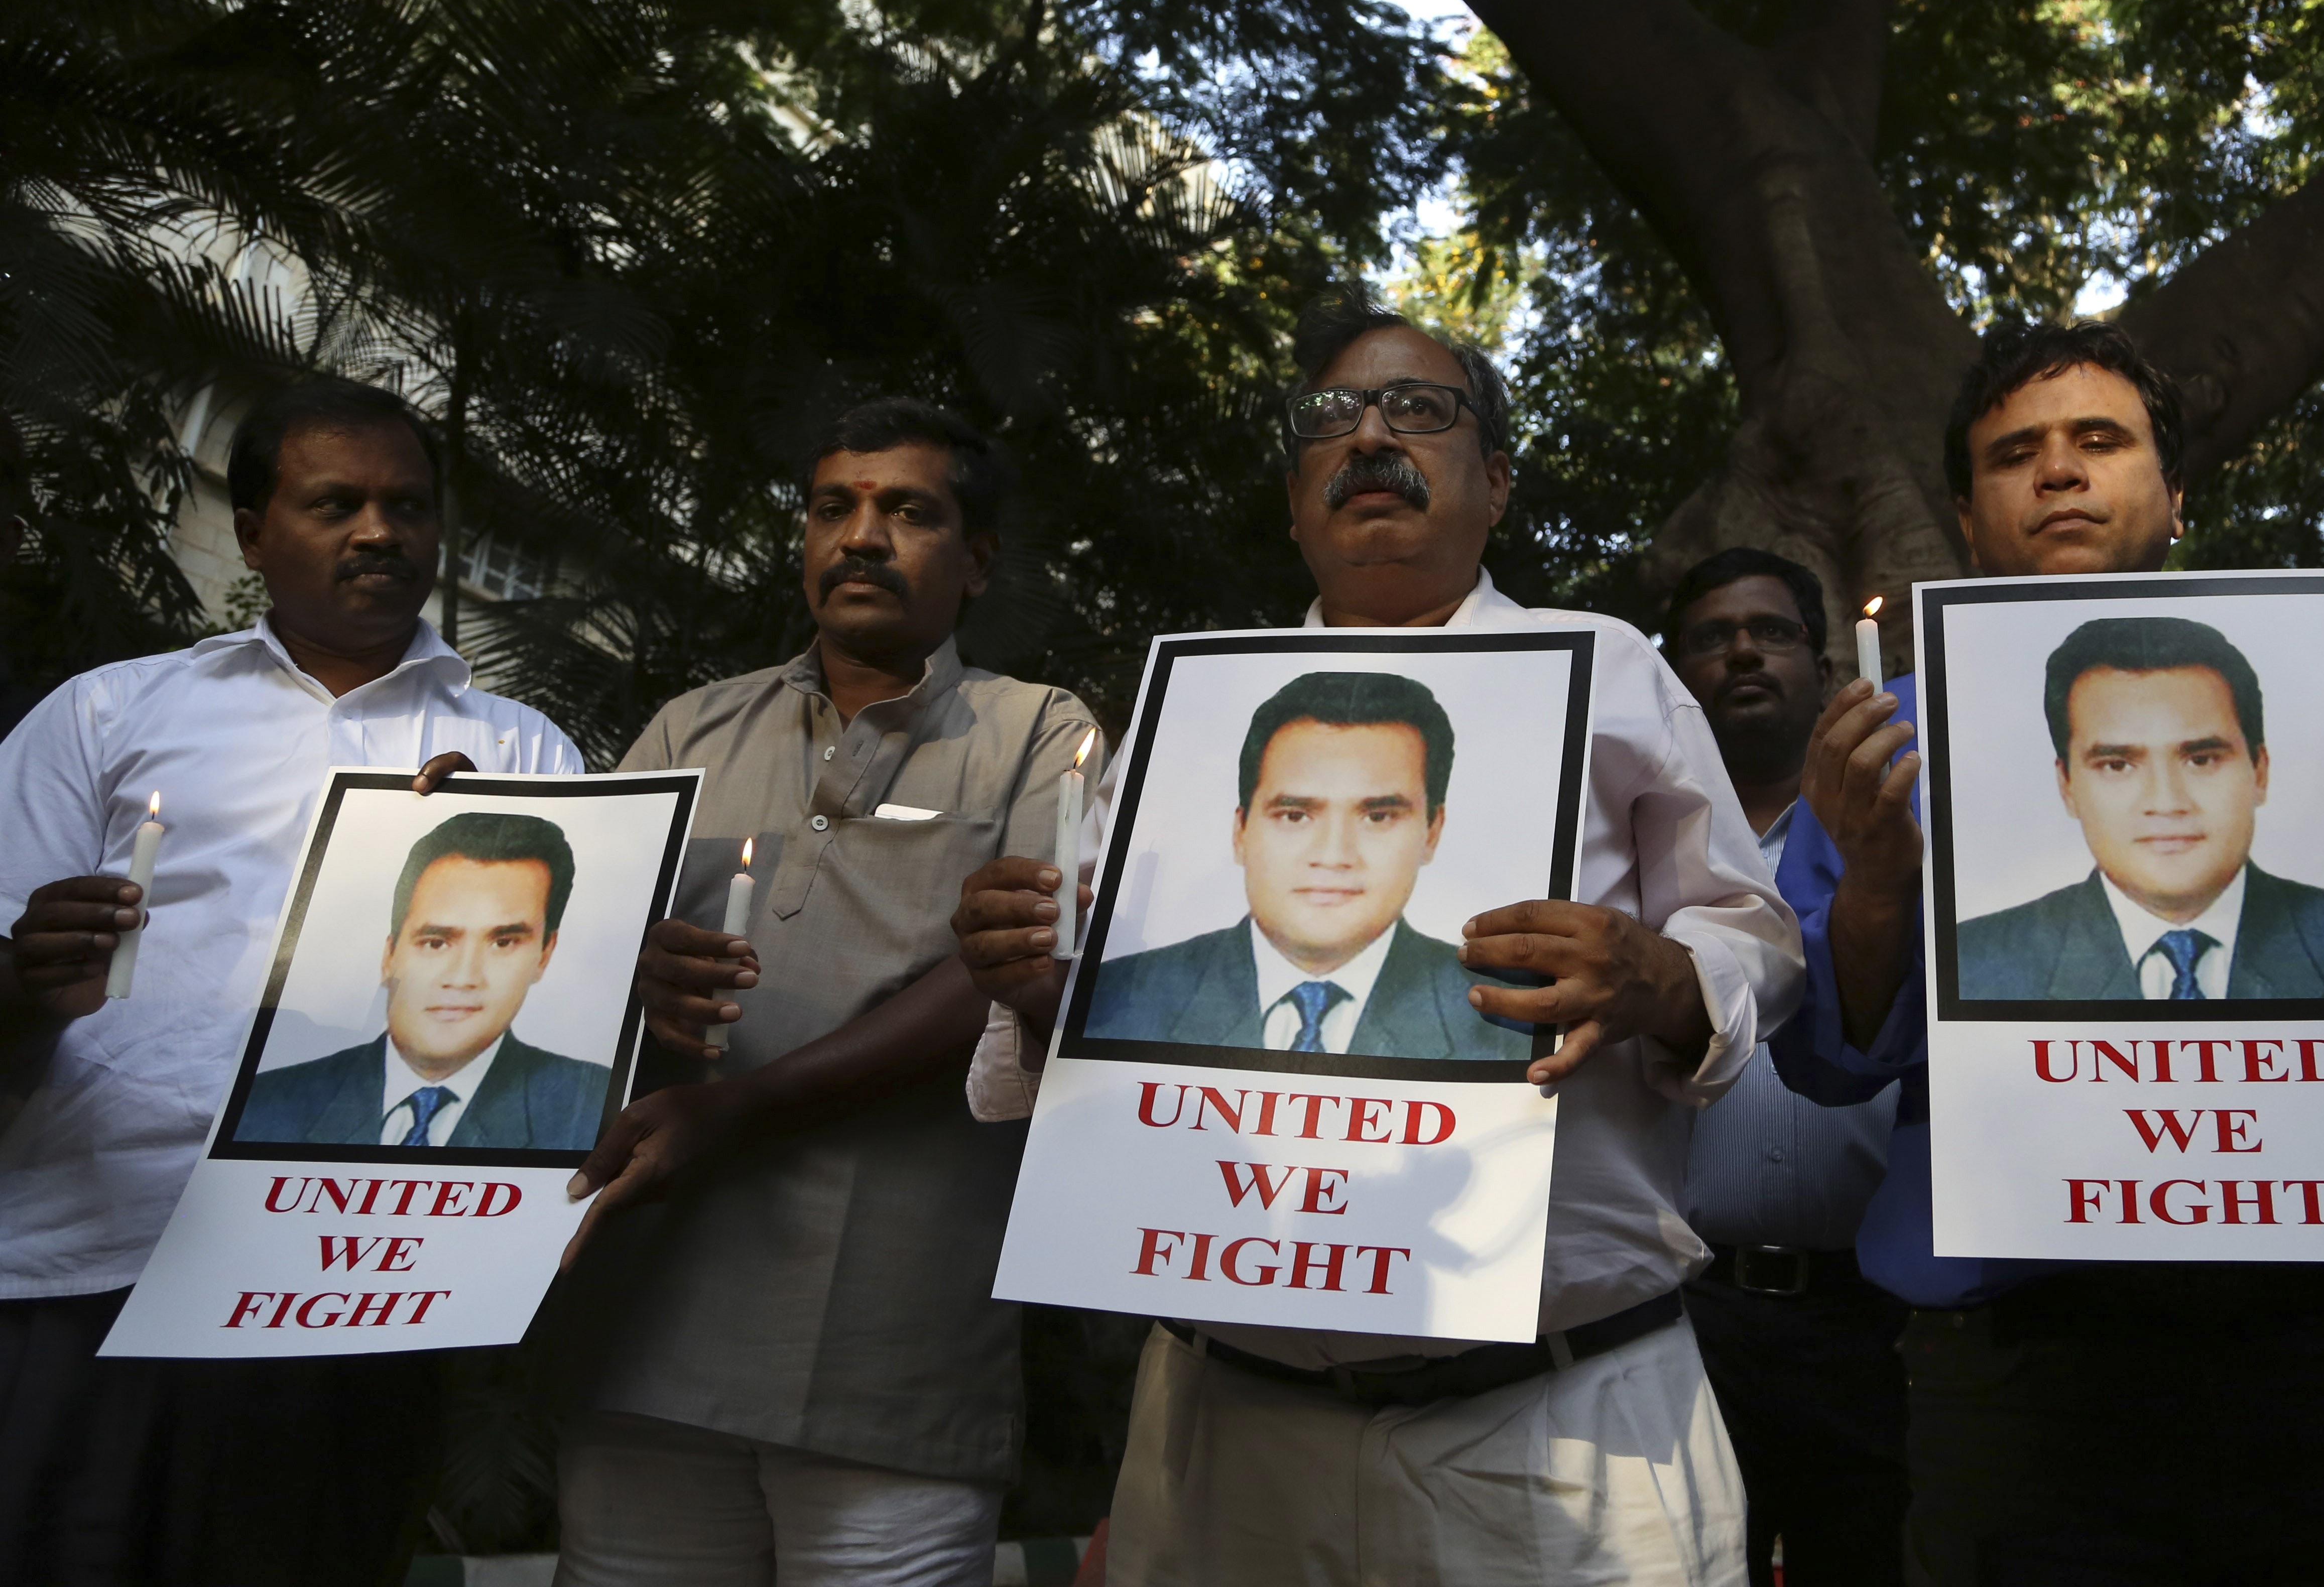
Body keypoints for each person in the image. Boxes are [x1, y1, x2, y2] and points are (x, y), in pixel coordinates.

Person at [960, 285, 1801, 1587]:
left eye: (1418, 409)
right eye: (1329, 420)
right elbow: (1083, 1021)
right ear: (1297, 499)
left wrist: (1666, 974)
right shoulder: (1193, 720)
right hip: (1223, 1426)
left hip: (1557, 1429)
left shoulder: (1612, 665)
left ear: (1498, 480)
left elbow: (1756, 931)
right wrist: (1031, 981)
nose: (1367, 438)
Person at [1776, 324, 2324, 1583]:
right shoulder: (1881, 743)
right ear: (1968, 518)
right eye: (2014, 453)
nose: (2059, 472)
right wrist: (1870, 887)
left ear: (2172, 497)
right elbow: (1832, 1064)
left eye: (2097, 440)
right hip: (2024, 1373)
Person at [0, 376, 583, 1586]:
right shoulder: (109, 712)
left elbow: (554, 1009)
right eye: (334, 503)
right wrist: (25, 972)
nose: (379, 531)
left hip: (356, 1284)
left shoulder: (524, 753)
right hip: (103, 1250)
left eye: (406, 505)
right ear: (256, 530)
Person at [545, 398, 1097, 1586]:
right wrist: (612, 965)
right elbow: (561, 961)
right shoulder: (690, 728)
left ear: (977, 560)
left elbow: (1010, 972)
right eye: (833, 507)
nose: (860, 535)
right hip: (646, 1331)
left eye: (908, 511)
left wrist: (739, 1107)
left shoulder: (1041, 734)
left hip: (888, 1360)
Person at [1666, 547, 1905, 1587]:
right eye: (1713, 638)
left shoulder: (1907, 825)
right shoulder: (1637, 844)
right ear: (1676, 676)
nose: (1744, 651)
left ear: (1823, 659)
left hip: (1879, 1325)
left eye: (1770, 630)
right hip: (1685, 1312)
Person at [1084, 668, 1527, 1061]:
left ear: (1432, 833)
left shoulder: (1509, 1021)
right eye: (1295, 816)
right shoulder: (1117, 999)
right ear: (1241, 831)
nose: (1334, 855)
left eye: (1378, 817)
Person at [1959, 614, 2324, 1002]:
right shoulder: (1975, 964)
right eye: (2117, 765)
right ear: (2068, 786)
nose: (2166, 802)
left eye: (2201, 760)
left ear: (2260, 771)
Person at [235, 810, 609, 1148]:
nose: (463, 978)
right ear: (390, 955)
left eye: (503, 942)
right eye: (436, 942)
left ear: (544, 954)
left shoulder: (597, 1111)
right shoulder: (262, 1108)